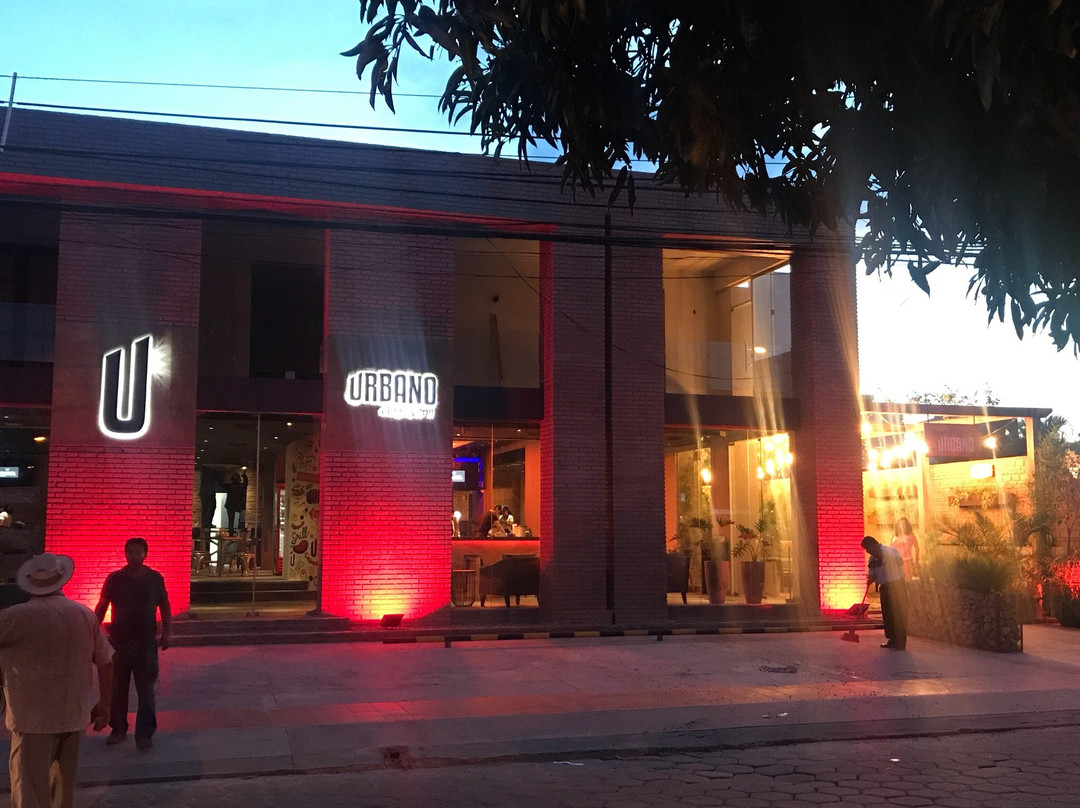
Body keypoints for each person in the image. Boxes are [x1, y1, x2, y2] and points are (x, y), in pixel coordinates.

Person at [0, 552, 113, 808]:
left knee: (29, 789)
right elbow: (106, 662)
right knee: (62, 787)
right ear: (61, 580)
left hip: (31, 718)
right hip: (73, 714)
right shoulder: (84, 614)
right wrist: (104, 704)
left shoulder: (14, 617)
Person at [94, 537, 172, 751]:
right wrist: (92, 630)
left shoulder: (154, 578)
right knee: (118, 688)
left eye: (138, 552)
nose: (133, 556)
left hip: (146, 642)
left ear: (145, 554)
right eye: (129, 552)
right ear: (125, 554)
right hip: (119, 642)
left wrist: (167, 632)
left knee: (146, 690)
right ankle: (118, 729)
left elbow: (165, 606)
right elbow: (102, 605)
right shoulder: (115, 579)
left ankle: (145, 734)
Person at [862, 535, 908, 650]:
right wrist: (870, 580)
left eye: (867, 548)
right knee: (887, 614)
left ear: (873, 545)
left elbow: (900, 561)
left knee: (898, 614)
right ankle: (892, 639)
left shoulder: (890, 551)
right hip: (885, 586)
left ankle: (900, 642)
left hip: (897, 585)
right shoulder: (872, 559)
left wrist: (886, 559)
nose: (867, 552)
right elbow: (872, 573)